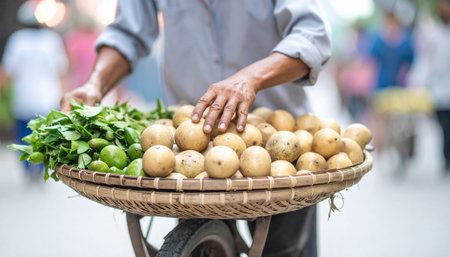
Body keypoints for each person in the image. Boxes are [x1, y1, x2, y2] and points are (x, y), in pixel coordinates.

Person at [60, 1, 331, 256]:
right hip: (191, 145)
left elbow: (312, 36)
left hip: (281, 141)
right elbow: (127, 33)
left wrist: (251, 78)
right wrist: (95, 83)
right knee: (201, 246)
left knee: (285, 250)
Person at [2, 1, 68, 180]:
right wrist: (64, 95)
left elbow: (7, 71)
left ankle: (27, 166)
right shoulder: (52, 39)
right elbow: (61, 70)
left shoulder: (17, 40)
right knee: (43, 135)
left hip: (23, 97)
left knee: (23, 135)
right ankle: (38, 169)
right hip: (46, 97)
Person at [410, 0, 450, 175]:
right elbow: (426, 62)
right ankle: (446, 160)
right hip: (440, 91)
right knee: (445, 128)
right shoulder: (434, 33)